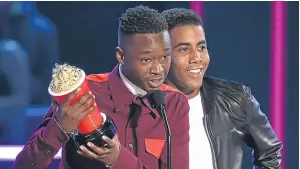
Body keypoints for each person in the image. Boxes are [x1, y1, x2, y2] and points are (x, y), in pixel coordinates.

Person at [14, 5, 190, 169]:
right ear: (121, 56)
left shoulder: (174, 103)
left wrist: (117, 158)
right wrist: (59, 127)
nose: (159, 69)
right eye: (146, 60)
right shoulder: (85, 92)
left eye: (165, 57)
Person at [161, 8, 282, 169]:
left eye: (201, 47)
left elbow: (270, 153)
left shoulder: (236, 99)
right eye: (184, 49)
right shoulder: (141, 106)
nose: (197, 58)